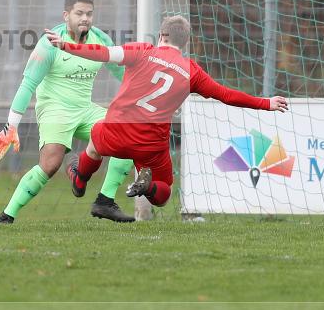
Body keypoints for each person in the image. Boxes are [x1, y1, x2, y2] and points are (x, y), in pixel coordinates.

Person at [45, 15, 289, 209]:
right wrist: (266, 103)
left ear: (161, 35)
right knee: (164, 192)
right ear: (184, 43)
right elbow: (226, 95)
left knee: (94, 145)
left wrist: (66, 45)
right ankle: (147, 187)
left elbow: (103, 53)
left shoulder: (142, 51)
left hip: (117, 132)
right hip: (151, 142)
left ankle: (80, 180)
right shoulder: (191, 71)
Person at [0, 0, 138, 224]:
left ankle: (104, 202)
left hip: (85, 109)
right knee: (50, 164)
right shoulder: (49, 43)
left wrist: (146, 98)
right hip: (55, 109)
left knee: (128, 137)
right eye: (79, 13)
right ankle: (6, 216)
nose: (85, 18)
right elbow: (28, 84)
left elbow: (123, 73)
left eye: (89, 14)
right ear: (66, 15)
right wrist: (12, 126)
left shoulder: (100, 39)